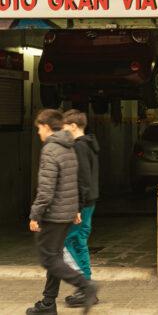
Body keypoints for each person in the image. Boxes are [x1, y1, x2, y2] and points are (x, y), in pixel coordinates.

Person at [27, 109, 98, 315]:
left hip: (54, 214)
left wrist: (35, 214)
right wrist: (75, 208)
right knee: (54, 257)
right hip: (67, 213)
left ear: (47, 127)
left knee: (48, 259)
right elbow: (74, 181)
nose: (38, 133)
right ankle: (48, 303)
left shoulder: (51, 149)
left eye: (39, 128)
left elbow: (46, 189)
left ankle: (85, 286)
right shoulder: (69, 146)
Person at [62, 109, 100, 308]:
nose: (63, 130)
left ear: (74, 126)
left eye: (65, 127)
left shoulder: (79, 147)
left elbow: (82, 178)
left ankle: (86, 287)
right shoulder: (90, 144)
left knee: (71, 240)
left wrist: (77, 206)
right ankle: (87, 288)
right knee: (79, 241)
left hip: (83, 203)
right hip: (90, 201)